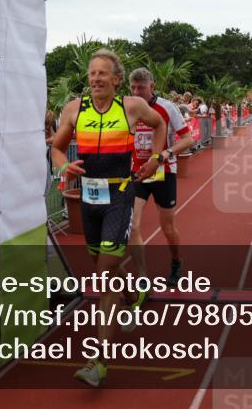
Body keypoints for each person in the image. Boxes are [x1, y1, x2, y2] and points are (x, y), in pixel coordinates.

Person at [50, 49, 167, 388]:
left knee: (103, 276)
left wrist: (156, 158)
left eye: (102, 73)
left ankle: (98, 361)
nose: (96, 79)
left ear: (117, 79)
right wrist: (63, 164)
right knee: (106, 266)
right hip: (89, 200)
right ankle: (131, 297)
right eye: (92, 73)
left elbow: (159, 125)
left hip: (119, 195)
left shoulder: (132, 106)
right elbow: (56, 148)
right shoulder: (75, 109)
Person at [127, 67, 195, 299]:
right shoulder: (127, 107)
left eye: (141, 88)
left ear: (152, 87)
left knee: (167, 228)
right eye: (133, 88)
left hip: (163, 172)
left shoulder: (167, 108)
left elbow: (188, 139)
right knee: (133, 226)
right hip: (137, 173)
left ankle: (176, 261)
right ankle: (142, 278)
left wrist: (165, 154)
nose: (137, 92)